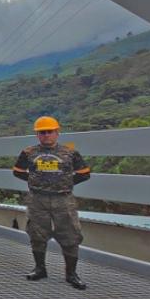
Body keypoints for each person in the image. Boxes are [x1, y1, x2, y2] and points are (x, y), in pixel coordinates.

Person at [13, 116, 90, 290]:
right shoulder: (28, 152)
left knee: (70, 235)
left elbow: (84, 173)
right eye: (42, 132)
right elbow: (17, 171)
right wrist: (35, 181)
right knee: (36, 233)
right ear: (37, 135)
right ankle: (40, 269)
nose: (46, 135)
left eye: (49, 131)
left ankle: (71, 274)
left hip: (63, 200)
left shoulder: (70, 152)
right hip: (37, 199)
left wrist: (65, 183)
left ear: (57, 132)